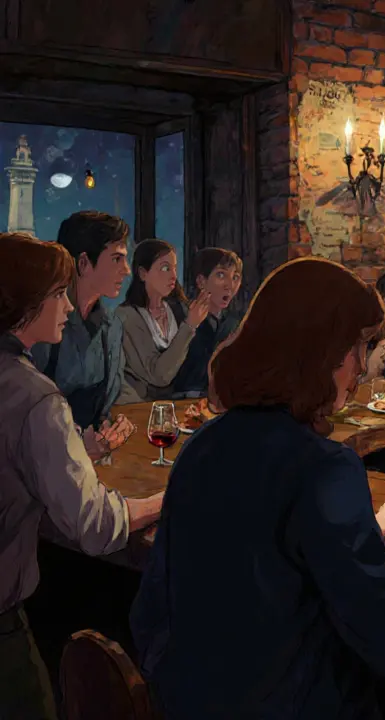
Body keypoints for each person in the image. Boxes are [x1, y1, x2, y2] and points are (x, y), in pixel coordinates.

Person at [130, 257, 385, 719]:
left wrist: (364, 533)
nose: (359, 365)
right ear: (321, 353)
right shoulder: (324, 468)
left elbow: (176, 604)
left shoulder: (204, 445)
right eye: (356, 346)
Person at [0, 233, 163, 720]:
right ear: (27, 303)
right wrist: (163, 501)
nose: (67, 307)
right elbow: (93, 525)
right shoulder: (36, 398)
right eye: (56, 294)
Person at [29, 211, 132, 431]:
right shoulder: (41, 324)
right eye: (117, 259)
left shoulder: (112, 327)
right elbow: (23, 413)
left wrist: (110, 427)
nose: (127, 270)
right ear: (83, 263)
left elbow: (105, 408)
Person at [116, 239, 212, 403]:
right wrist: (189, 326)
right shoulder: (127, 316)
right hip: (139, 408)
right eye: (165, 268)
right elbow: (159, 375)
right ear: (143, 273)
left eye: (174, 268)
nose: (174, 276)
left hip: (180, 404)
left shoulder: (180, 310)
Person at [172, 248, 244, 397]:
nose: (229, 285)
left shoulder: (235, 323)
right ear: (201, 281)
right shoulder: (180, 317)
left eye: (235, 277)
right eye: (221, 275)